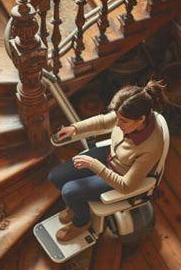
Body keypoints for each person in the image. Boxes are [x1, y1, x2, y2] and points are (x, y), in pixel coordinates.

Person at [48, 80, 166, 242]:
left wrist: (94, 165)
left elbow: (126, 186)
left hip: (119, 175)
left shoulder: (152, 146)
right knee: (56, 176)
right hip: (110, 155)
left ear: (141, 119)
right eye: (117, 117)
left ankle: (81, 221)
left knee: (69, 191)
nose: (117, 124)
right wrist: (75, 128)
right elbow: (104, 121)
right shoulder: (128, 115)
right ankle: (75, 206)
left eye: (123, 121)